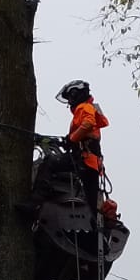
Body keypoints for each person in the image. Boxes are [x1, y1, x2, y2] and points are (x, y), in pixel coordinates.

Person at [58, 79, 109, 217]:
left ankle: (34, 201)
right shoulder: (88, 108)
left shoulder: (84, 107)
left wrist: (72, 138)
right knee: (91, 202)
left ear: (77, 94)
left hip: (84, 160)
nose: (69, 102)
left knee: (49, 163)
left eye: (70, 97)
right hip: (91, 163)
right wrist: (69, 140)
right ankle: (92, 224)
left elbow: (88, 123)